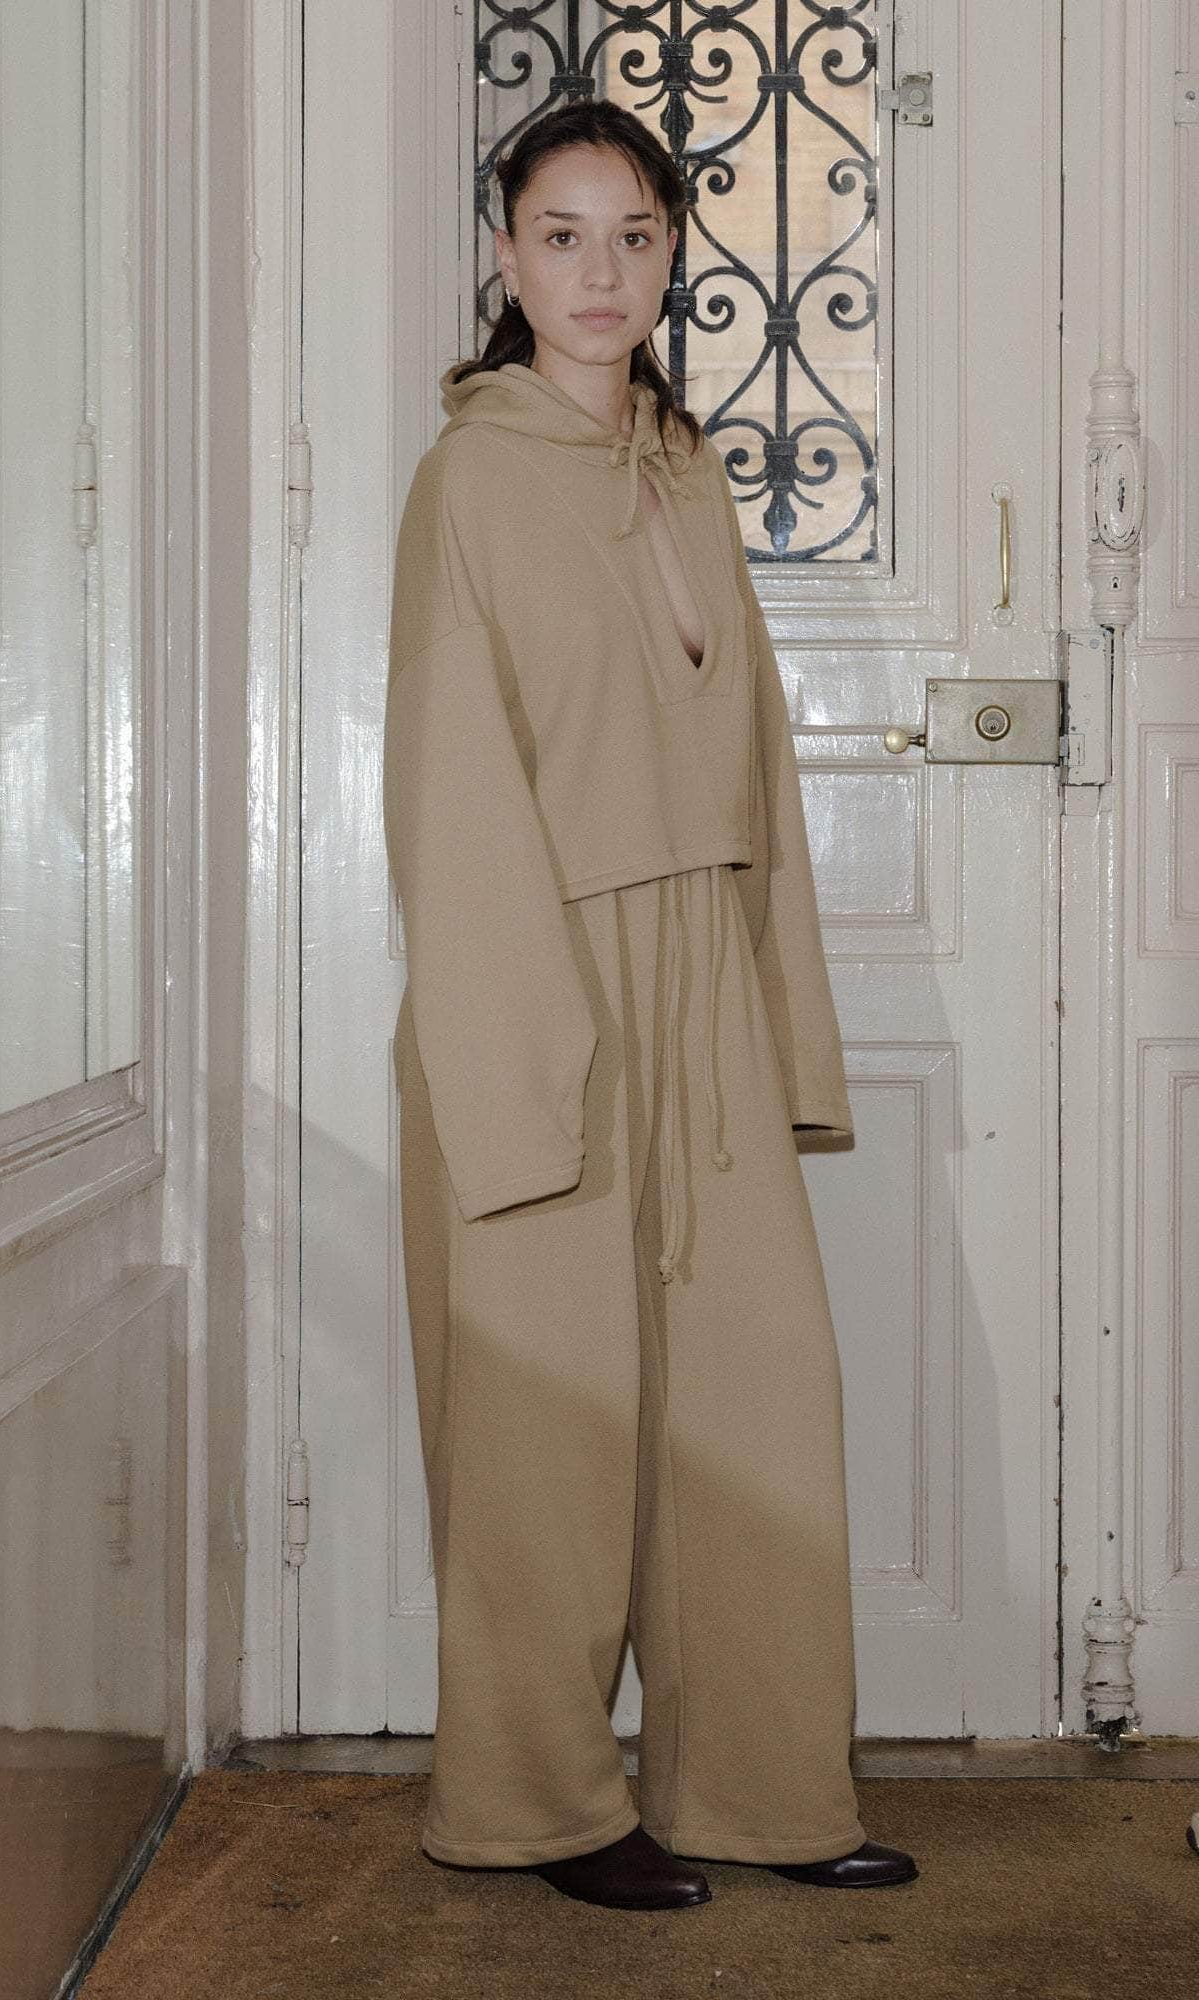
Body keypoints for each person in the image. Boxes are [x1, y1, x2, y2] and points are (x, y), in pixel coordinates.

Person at [382, 98, 917, 1911]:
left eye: (632, 237)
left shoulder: (687, 470)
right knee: (544, 1426)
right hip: (535, 977)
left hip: (704, 982)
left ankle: (762, 1788)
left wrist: (775, 1017)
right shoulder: (469, 481)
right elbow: (450, 786)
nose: (599, 273)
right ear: (504, 257)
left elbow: (754, 765)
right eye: (561, 236)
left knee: (757, 1393)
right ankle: (534, 1806)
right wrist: (527, 1063)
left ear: (673, 256)